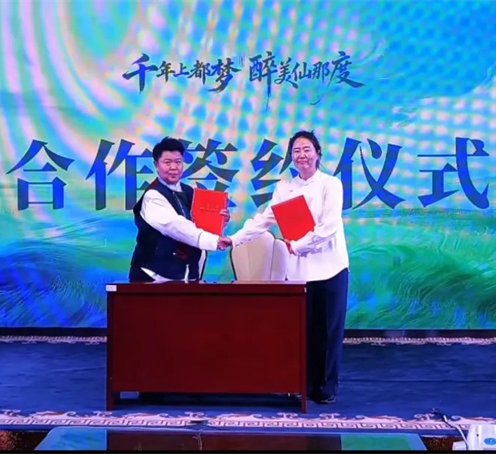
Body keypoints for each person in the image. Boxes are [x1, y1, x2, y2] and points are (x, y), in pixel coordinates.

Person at [226, 130, 349, 405]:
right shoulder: (285, 188)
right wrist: (234, 239)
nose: (301, 155)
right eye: (296, 151)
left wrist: (299, 245)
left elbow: (328, 227)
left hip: (331, 267)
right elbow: (265, 219)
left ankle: (326, 387)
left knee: (328, 331)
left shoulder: (331, 184)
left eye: (307, 149)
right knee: (303, 331)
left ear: (317, 153)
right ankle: (302, 383)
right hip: (299, 272)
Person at [129, 135, 231, 283]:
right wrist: (213, 240)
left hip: (187, 275)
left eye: (178, 162)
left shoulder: (190, 192)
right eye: (167, 162)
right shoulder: (152, 196)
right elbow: (175, 226)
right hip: (153, 276)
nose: (174, 167)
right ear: (156, 165)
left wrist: (220, 220)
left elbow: (200, 223)